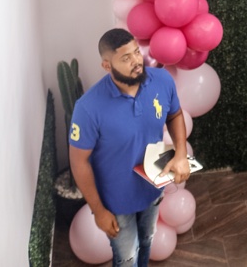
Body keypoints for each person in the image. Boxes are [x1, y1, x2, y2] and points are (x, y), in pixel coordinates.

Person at [69, 28, 190, 267]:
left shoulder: (162, 80)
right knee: (127, 259)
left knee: (147, 241)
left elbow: (175, 115)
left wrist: (181, 153)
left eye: (136, 52)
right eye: (126, 58)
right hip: (116, 203)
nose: (136, 61)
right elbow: (78, 161)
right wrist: (98, 211)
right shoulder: (88, 108)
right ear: (107, 66)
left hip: (153, 190)